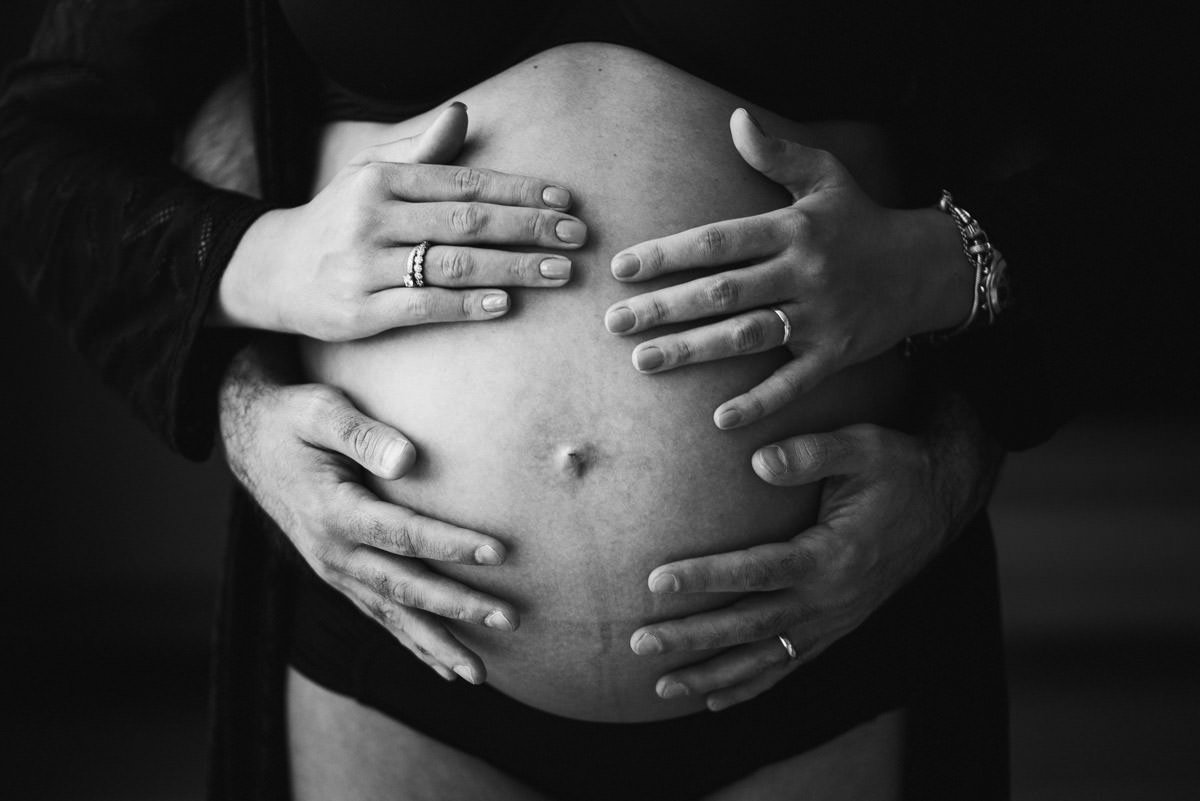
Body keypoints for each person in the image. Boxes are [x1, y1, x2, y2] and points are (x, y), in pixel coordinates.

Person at [0, 2, 1189, 800]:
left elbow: (1160, 146)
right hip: (396, 631)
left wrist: (940, 280)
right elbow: (43, 142)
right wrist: (255, 290)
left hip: (830, 616)